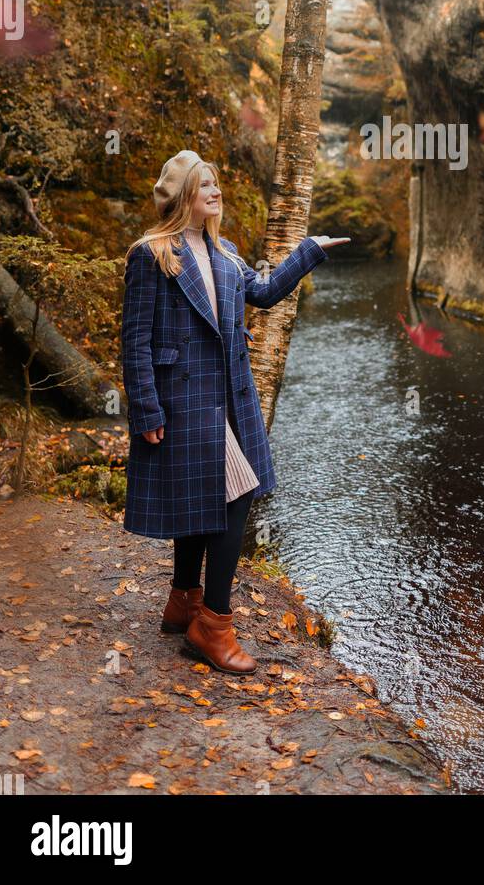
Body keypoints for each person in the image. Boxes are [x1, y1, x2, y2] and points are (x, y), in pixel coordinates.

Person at [121, 148, 348, 674]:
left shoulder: (226, 254)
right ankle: (214, 624)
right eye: (205, 185)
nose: (215, 191)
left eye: (215, 183)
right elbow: (134, 340)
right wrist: (146, 410)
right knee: (236, 495)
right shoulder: (152, 253)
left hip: (230, 398)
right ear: (184, 196)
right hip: (181, 400)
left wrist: (308, 250)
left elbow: (263, 293)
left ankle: (184, 601)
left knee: (209, 494)